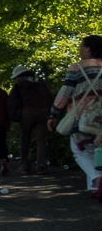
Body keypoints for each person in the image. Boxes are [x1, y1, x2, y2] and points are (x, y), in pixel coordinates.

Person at [48, 35, 102, 197]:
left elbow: (65, 92)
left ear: (88, 49)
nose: (79, 50)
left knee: (81, 151)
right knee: (98, 149)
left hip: (83, 115)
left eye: (80, 46)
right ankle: (95, 191)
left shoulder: (77, 68)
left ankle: (98, 181)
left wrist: (53, 113)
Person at [8, 65, 52, 174]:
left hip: (26, 112)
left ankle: (24, 164)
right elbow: (49, 97)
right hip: (43, 111)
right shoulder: (41, 83)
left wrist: (14, 115)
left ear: (19, 76)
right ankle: (41, 165)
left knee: (25, 139)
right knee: (41, 140)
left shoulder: (19, 85)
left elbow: (12, 101)